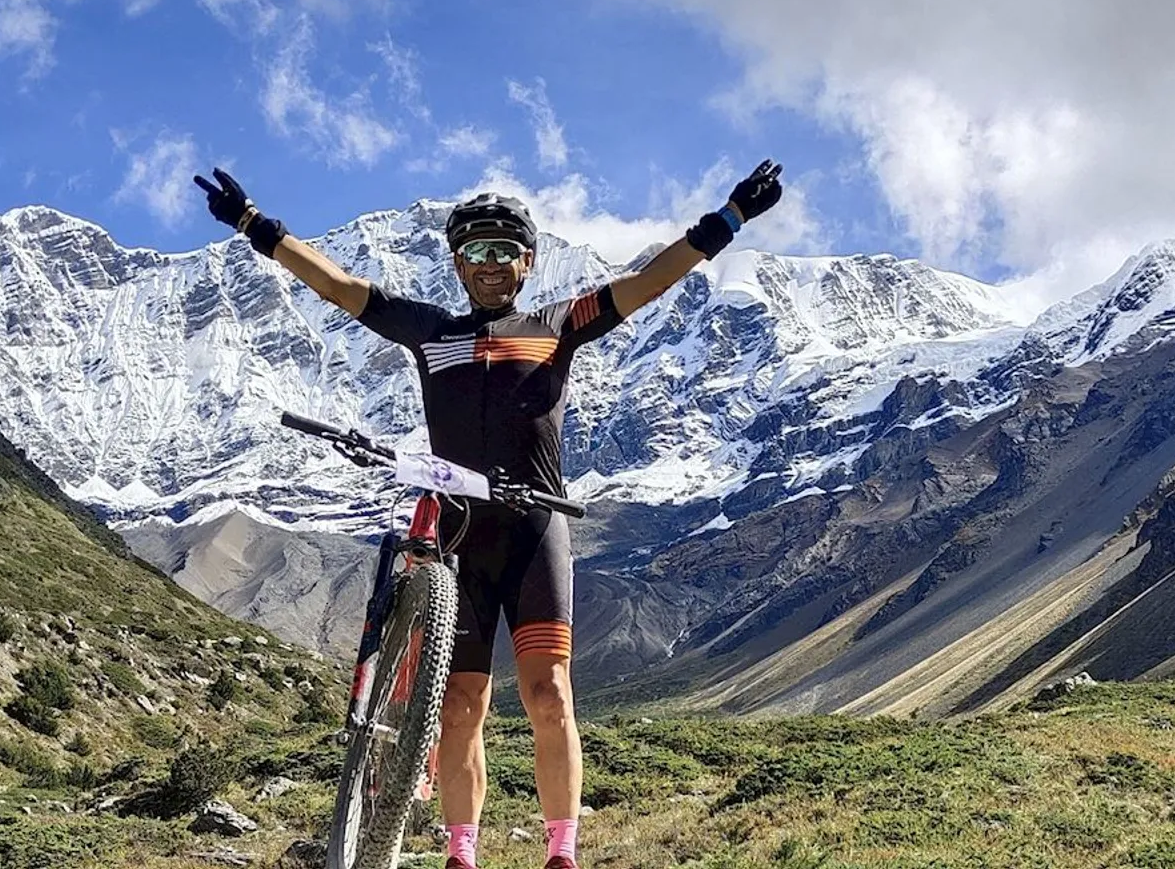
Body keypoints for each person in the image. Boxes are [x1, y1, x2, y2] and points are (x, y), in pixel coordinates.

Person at [196, 160, 784, 869]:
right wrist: (259, 227)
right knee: (459, 706)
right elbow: (340, 288)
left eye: (505, 250)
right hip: (458, 535)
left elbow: (647, 283)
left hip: (535, 529)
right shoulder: (429, 331)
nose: (491, 263)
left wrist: (727, 219)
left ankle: (562, 852)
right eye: (476, 251)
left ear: (528, 262)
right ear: (456, 262)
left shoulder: (558, 325)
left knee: (549, 694)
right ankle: (461, 854)